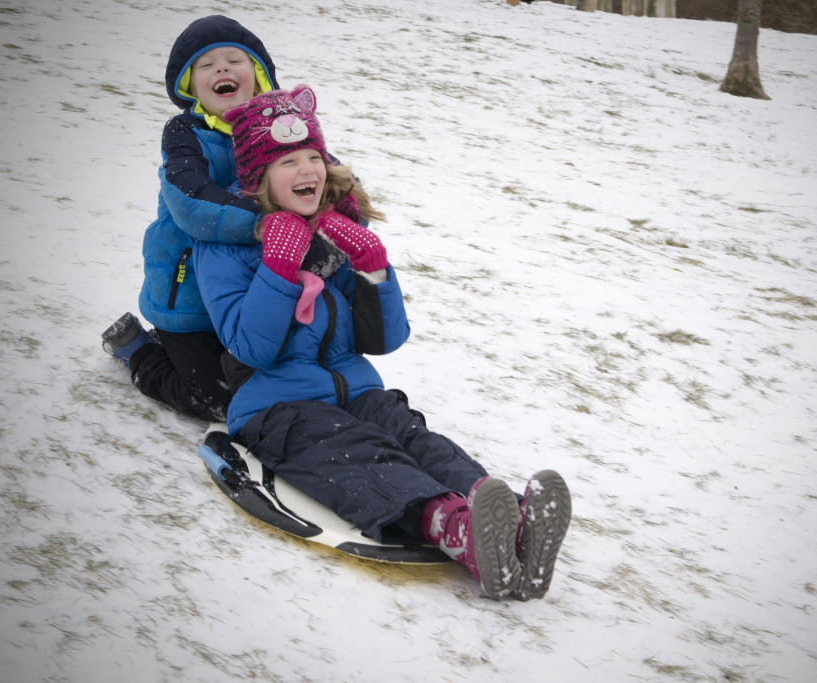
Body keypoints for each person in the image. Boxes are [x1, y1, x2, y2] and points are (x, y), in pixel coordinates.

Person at [192, 84, 572, 600]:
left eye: (313, 157)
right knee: (362, 455)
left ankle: (509, 523)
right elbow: (250, 348)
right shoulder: (222, 249)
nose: (308, 170)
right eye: (288, 162)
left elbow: (385, 339)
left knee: (417, 441)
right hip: (278, 406)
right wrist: (279, 267)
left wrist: (372, 267)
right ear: (258, 176)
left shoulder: (333, 232)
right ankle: (457, 529)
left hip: (359, 388)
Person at [101, 15, 281, 422]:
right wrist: (263, 224)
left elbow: (320, 174)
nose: (222, 68)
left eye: (235, 60)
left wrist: (345, 215)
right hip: (189, 299)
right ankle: (141, 352)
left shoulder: (281, 128)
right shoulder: (184, 133)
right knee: (218, 401)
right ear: (190, 84)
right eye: (206, 65)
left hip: (253, 294)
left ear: (258, 76)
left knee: (271, 387)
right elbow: (190, 202)